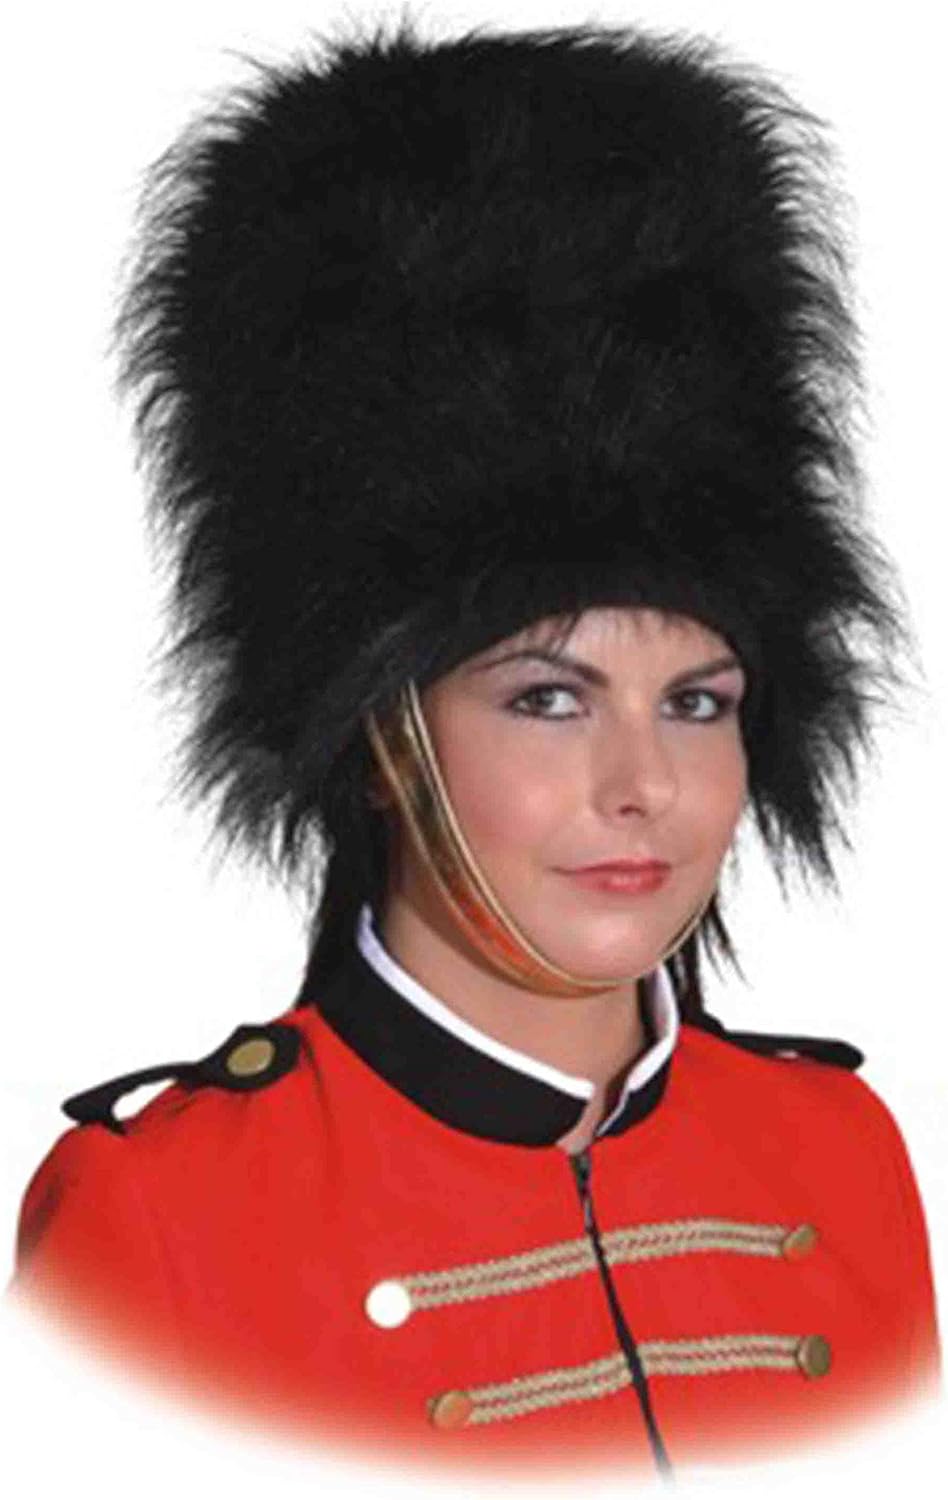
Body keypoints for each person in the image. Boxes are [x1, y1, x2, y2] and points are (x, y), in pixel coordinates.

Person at [9, 12, 940, 1481]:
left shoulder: (844, 1157)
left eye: (697, 702)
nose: (646, 785)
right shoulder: (160, 1218)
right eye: (548, 699)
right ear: (380, 732)